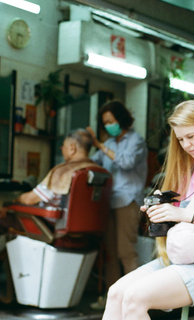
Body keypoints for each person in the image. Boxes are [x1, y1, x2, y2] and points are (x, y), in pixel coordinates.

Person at [101, 100, 194, 319]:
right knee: (116, 292)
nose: (186, 145)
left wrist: (183, 214)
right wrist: (161, 210)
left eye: (191, 136)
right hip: (182, 257)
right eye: (180, 139)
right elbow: (179, 220)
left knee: (135, 297)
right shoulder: (192, 168)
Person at [0, 128, 97, 260]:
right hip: (87, 234)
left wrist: (13, 203)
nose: (62, 150)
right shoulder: (97, 170)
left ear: (72, 148)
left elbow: (29, 200)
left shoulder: (64, 171)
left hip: (52, 229)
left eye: (63, 147)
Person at [86, 100, 148, 308]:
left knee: (125, 251)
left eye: (111, 121)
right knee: (110, 253)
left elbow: (126, 162)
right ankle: (112, 301)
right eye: (105, 123)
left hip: (128, 201)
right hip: (110, 201)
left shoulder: (136, 141)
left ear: (121, 119)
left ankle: (136, 301)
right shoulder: (110, 144)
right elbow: (93, 163)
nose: (108, 126)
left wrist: (100, 145)